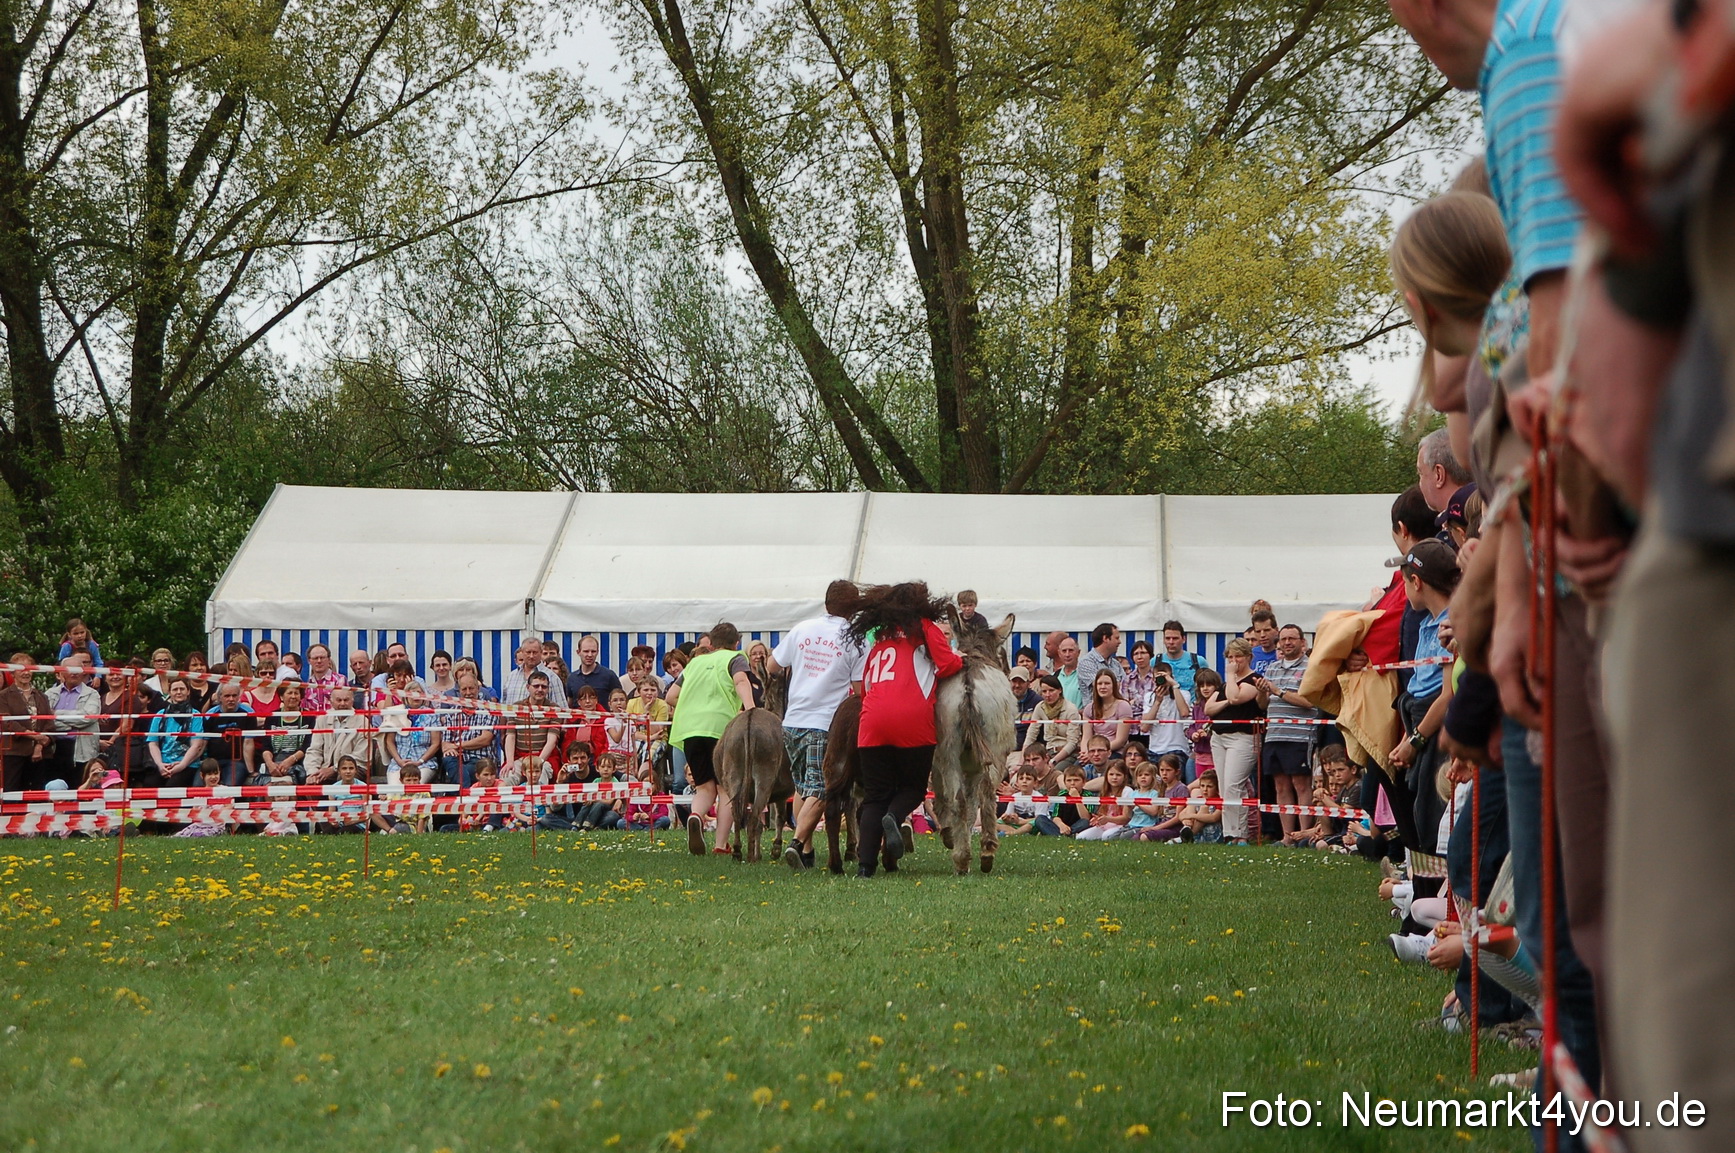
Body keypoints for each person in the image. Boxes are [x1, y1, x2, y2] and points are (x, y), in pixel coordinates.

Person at [845, 582, 964, 878]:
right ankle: (894, 816)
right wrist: (964, 659)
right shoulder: (924, 628)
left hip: (872, 721)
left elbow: (865, 684)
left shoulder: (881, 637)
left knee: (874, 796)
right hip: (912, 720)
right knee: (912, 788)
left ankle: (865, 867)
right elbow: (947, 664)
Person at [770, 578, 861, 871]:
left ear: (826, 603)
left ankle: (807, 853)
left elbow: (772, 666)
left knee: (801, 787)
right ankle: (796, 842)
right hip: (824, 722)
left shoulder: (802, 629)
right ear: (854, 609)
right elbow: (861, 691)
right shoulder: (856, 639)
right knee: (823, 789)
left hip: (793, 718)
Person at [668, 622, 756, 856]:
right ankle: (720, 845)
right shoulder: (736, 658)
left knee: (704, 787)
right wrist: (750, 710)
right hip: (720, 728)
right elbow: (740, 681)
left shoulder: (694, 663)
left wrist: (693, 708)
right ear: (736, 643)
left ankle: (695, 816)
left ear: (712, 643)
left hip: (689, 729)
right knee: (725, 789)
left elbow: (670, 696)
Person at [1256, 624, 1319, 840]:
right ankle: (1287, 837)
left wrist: (1278, 691)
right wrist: (1263, 692)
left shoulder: (1311, 667)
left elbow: (1310, 702)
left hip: (1300, 735)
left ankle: (1304, 835)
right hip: (1274, 734)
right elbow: (1263, 704)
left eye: (1292, 638)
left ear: (1303, 642)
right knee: (1280, 786)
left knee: (1301, 785)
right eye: (1283, 639)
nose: (1287, 642)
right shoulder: (1272, 668)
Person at [1205, 639, 1264, 843]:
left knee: (1233, 785)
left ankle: (1240, 834)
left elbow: (1236, 698)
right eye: (1230, 657)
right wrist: (1226, 697)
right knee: (1224, 788)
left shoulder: (1254, 680)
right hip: (1219, 737)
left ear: (1248, 657)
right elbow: (1208, 709)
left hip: (1243, 738)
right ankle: (1230, 833)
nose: (1233, 661)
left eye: (1238, 656)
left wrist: (1230, 676)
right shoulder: (1224, 684)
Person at [379, 660, 441, 784]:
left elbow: (436, 743)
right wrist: (398, 760)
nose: (415, 696)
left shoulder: (431, 714)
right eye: (411, 693)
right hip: (399, 763)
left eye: (419, 693)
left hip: (424, 764)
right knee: (394, 790)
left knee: (414, 786)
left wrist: (420, 761)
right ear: (406, 697)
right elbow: (389, 741)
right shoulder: (398, 712)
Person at [46, 654, 102, 786]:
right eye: (71, 669)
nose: (75, 673)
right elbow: (46, 721)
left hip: (82, 749)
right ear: (61, 672)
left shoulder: (92, 694)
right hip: (54, 748)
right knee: (56, 788)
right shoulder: (50, 693)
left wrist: (57, 714)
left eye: (78, 670)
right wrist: (70, 726)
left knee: (79, 787)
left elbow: (88, 718)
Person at [0, 655, 54, 791]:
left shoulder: (42, 696)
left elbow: (49, 723)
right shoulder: (3, 696)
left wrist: (39, 745)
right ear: (12, 673)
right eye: (21, 669)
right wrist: (34, 736)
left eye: (29, 669)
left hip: (40, 752)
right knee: (12, 791)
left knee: (37, 792)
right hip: (14, 752)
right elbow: (7, 722)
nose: (26, 672)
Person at [303, 684, 373, 785]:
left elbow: (361, 756)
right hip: (325, 768)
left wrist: (334, 769)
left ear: (352, 701)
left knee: (344, 777)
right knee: (310, 784)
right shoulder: (322, 719)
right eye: (339, 700)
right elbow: (314, 749)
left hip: (354, 768)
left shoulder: (363, 721)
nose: (342, 704)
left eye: (346, 700)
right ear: (331, 702)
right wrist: (312, 772)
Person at [436, 672, 498, 787]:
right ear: (459, 691)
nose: (468, 693)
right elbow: (445, 743)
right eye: (464, 689)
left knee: (461, 772)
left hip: (480, 759)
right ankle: (465, 797)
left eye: (471, 688)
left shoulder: (489, 709)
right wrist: (448, 748)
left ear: (478, 688)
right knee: (449, 760)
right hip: (457, 759)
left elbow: (485, 739)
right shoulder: (453, 712)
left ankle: (461, 798)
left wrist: (457, 745)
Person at [146, 678, 208, 787]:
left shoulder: (196, 715)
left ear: (188, 691)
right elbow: (153, 743)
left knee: (172, 786)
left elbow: (196, 745)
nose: (179, 692)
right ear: (170, 693)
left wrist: (181, 765)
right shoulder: (160, 714)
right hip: (163, 762)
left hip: (187, 764)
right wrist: (160, 764)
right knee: (150, 784)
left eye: (182, 689)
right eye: (175, 689)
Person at [247, 680, 311, 785]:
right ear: (281, 697)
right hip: (274, 761)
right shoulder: (272, 717)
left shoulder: (309, 717)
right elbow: (266, 746)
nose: (293, 696)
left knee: (287, 785)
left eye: (296, 693)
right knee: (268, 786)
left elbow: (307, 746)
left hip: (298, 763)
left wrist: (288, 762)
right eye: (289, 693)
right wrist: (270, 764)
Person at [1021, 674, 1081, 766]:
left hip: (1068, 754)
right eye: (1044, 691)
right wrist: (1022, 760)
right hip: (1048, 752)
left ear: (1060, 690)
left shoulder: (1070, 709)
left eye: (1051, 690)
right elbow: (1031, 734)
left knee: (1053, 772)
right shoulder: (1040, 707)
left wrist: (1054, 760)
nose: (1047, 695)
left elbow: (1073, 742)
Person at [203, 682, 257, 786]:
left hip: (236, 762)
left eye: (234, 695)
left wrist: (251, 771)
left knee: (229, 788)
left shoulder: (249, 713)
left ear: (239, 696)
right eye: (227, 696)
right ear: (219, 697)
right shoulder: (209, 715)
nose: (231, 699)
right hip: (213, 761)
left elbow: (248, 743)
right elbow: (202, 744)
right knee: (198, 788)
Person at [1415, 427, 1475, 519]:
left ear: (1439, 475)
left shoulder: (1461, 529)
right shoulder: (1488, 514)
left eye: (1421, 473)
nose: (1419, 484)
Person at [1142, 660, 1193, 762]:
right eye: (1158, 678)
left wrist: (1174, 685)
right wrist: (1157, 702)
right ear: (1153, 679)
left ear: (1171, 677)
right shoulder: (1149, 697)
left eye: (1165, 678)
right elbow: (1144, 727)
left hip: (1177, 749)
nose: (1162, 681)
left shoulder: (1183, 694)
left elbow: (1184, 713)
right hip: (1155, 750)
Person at [503, 635, 570, 708]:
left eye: (535, 652)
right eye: (528, 652)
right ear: (522, 652)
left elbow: (562, 709)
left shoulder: (552, 677)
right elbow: (503, 705)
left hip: (542, 719)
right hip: (512, 719)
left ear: (541, 652)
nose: (531, 656)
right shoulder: (512, 676)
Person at [1076, 760, 1133, 840]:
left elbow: (1126, 818)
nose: (1114, 777)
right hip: (1105, 826)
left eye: (1118, 775)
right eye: (1111, 774)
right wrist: (1098, 819)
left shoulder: (1127, 791)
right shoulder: (1105, 791)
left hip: (1121, 826)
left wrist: (1108, 819)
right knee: (1081, 837)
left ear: (1125, 777)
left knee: (1106, 837)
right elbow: (1103, 813)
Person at [1081, 669, 1133, 753]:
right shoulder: (1089, 708)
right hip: (1093, 752)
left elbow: (1121, 741)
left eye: (1107, 683)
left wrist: (1098, 751)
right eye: (1099, 684)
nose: (1103, 687)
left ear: (1114, 686)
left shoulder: (1123, 706)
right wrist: (1086, 752)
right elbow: (1086, 738)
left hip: (1114, 752)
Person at [1034, 765, 1092, 837]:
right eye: (1069, 780)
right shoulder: (1062, 794)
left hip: (1078, 825)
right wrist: (1061, 825)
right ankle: (1063, 835)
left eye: (1076, 780)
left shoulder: (1088, 795)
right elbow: (1055, 816)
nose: (1072, 783)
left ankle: (1062, 834)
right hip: (1062, 826)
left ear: (1083, 782)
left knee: (1086, 822)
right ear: (1064, 782)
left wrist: (1077, 798)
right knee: (1040, 819)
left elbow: (1086, 818)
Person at [566, 635, 623, 704]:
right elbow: (570, 704)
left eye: (593, 651)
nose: (590, 655)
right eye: (586, 651)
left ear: (597, 652)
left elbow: (620, 701)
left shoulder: (609, 676)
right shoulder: (572, 678)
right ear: (578, 652)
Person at [1075, 623, 1125, 695]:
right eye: (1116, 638)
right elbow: (1103, 687)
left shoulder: (1116, 664)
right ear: (1105, 638)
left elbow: (1127, 686)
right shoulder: (1086, 662)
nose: (1119, 642)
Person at [1158, 622, 1206, 696]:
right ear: (1163, 640)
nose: (1171, 642)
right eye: (1167, 638)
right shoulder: (1156, 661)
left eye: (1175, 638)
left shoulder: (1198, 661)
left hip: (1191, 706)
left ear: (1183, 639)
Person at [995, 766, 1044, 836]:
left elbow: (1040, 819)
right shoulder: (1014, 797)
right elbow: (1008, 813)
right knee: (996, 823)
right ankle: (1020, 833)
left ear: (1035, 783)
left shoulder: (1039, 797)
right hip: (1017, 824)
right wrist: (1006, 818)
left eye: (1028, 779)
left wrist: (1020, 822)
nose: (1024, 781)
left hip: (1031, 824)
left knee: (1033, 823)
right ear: (1017, 782)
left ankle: (1013, 833)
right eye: (1021, 778)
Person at [1178, 771, 1223, 844]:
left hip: (1212, 835)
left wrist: (1192, 816)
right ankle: (1187, 830)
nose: (1205, 789)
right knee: (1191, 804)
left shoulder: (1218, 800)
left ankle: (1188, 836)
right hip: (1198, 835)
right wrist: (1185, 820)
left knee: (1204, 808)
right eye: (1202, 786)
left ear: (1217, 788)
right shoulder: (1198, 799)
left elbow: (1214, 817)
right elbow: (1181, 815)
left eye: (1209, 786)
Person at [300, 644, 345, 713]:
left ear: (329, 659)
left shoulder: (340, 680)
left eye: (322, 657)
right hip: (313, 722)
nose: (319, 661)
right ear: (309, 661)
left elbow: (343, 706)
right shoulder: (307, 685)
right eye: (315, 658)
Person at [1053, 636, 1083, 706]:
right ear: (1059, 653)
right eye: (1064, 651)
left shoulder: (1086, 675)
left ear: (1078, 653)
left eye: (1071, 650)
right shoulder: (1054, 676)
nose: (1067, 654)